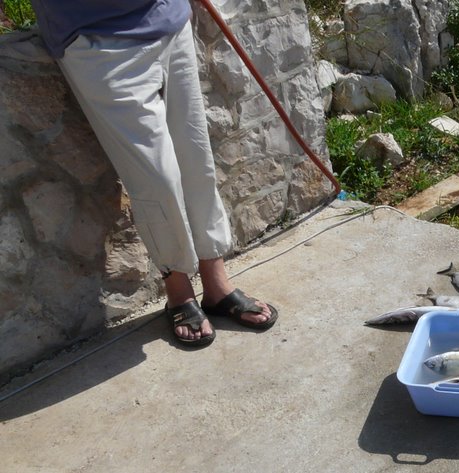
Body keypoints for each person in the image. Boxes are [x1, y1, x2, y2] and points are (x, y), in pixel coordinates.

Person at [30, 0, 277, 347]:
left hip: (168, 19)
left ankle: (216, 283)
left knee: (197, 162)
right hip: (95, 36)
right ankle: (178, 290)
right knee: (156, 180)